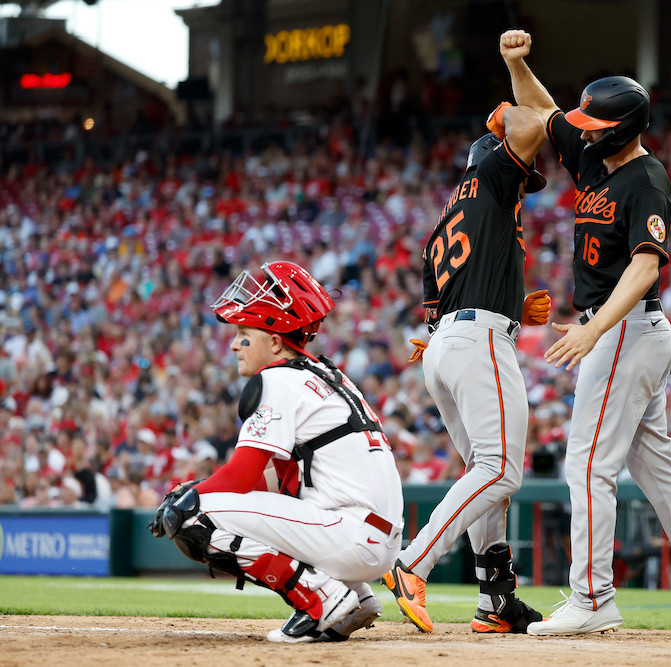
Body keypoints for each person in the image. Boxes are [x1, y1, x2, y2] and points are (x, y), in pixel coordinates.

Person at [500, 29, 671, 636]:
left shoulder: (647, 179)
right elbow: (542, 111)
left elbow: (644, 265)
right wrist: (517, 63)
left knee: (587, 464)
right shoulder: (595, 154)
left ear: (621, 128)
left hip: (627, 330)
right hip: (624, 332)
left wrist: (594, 332)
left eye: (595, 123)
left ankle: (591, 598)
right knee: (656, 467)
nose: (582, 129)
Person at [148, 261, 403, 644]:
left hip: (349, 532)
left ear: (274, 341)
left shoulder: (278, 379)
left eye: (243, 333)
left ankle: (321, 598)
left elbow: (240, 477)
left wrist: (191, 497)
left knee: (192, 516)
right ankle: (354, 600)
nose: (234, 343)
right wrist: (205, 488)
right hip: (374, 539)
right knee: (209, 502)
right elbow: (276, 483)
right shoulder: (325, 375)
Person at [381, 100, 550, 634]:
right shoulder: (493, 175)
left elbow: (444, 303)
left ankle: (496, 600)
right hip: (478, 341)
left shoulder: (443, 225)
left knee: (485, 469)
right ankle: (414, 562)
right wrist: (514, 90)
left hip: (445, 346)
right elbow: (537, 121)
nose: (527, 184)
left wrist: (513, 304)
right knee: (500, 470)